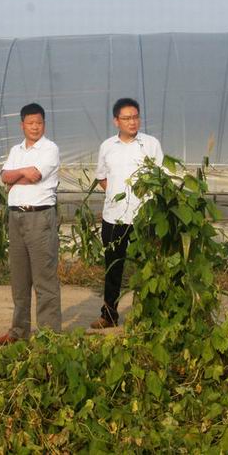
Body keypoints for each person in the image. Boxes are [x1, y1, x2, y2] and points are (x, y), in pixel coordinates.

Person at [90, 98, 163, 329]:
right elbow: (102, 177)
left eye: (136, 117)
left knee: (146, 267)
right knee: (113, 266)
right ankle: (109, 315)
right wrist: (116, 194)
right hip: (114, 217)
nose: (133, 122)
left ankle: (146, 314)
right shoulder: (107, 146)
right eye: (127, 118)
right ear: (116, 121)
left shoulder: (150, 144)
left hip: (144, 218)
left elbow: (160, 177)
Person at [0, 103, 62, 345]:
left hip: (39, 218)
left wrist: (16, 177)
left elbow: (35, 175)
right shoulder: (16, 150)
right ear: (22, 125)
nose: (35, 127)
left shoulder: (50, 149)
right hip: (16, 217)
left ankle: (49, 336)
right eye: (31, 123)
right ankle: (18, 331)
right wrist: (21, 173)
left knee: (44, 279)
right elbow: (5, 177)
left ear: (44, 124)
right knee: (19, 279)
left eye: (39, 123)